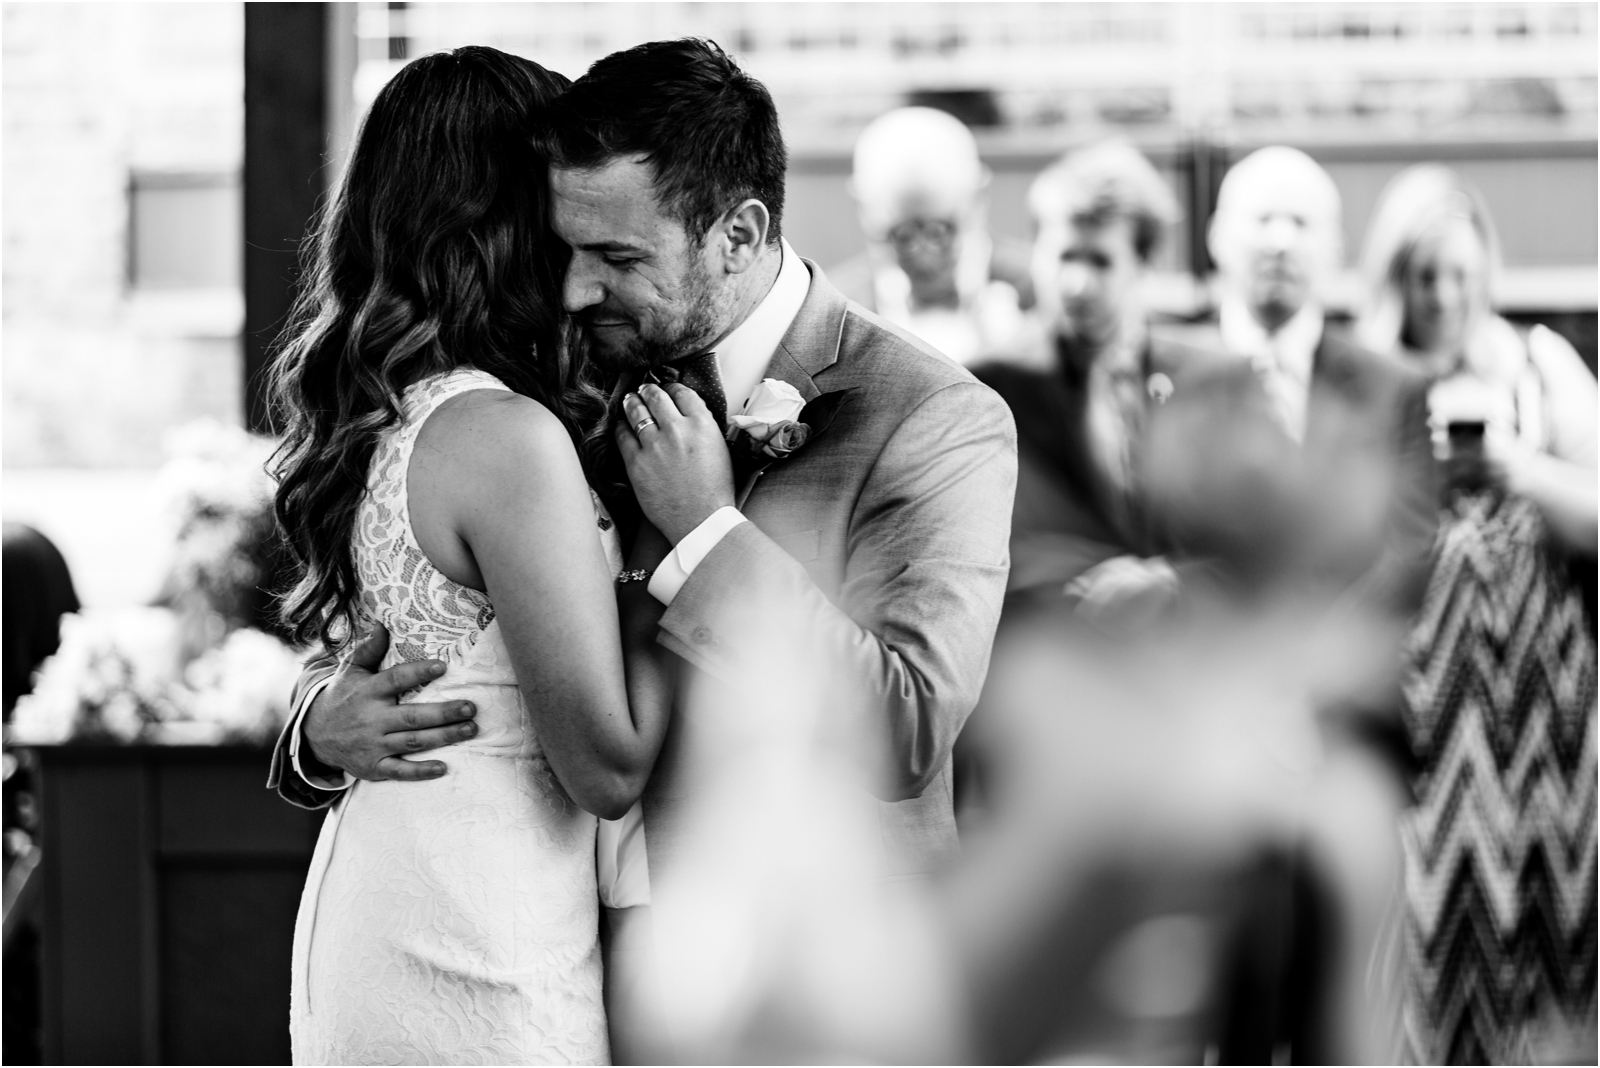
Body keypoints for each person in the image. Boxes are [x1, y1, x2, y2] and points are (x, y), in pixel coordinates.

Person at [271, 39, 1017, 1064]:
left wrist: (707, 533)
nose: (578, 291)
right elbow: (439, 614)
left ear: (737, 234)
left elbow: (905, 721)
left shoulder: (928, 418)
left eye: (617, 258)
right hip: (555, 955)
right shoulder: (570, 385)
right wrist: (316, 727)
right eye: (563, 247)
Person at [266, 47, 674, 1064]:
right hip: (471, 940)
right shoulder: (503, 437)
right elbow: (606, 768)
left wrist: (315, 720)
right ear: (507, 216)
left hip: (392, 899)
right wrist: (687, 550)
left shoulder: (392, 409)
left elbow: (373, 655)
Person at [1356, 164, 1597, 1064]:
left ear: (1486, 270)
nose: (1445, 296)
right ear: (1396, 279)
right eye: (1424, 276)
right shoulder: (1371, 379)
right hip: (1417, 719)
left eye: (1460, 274)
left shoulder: (1538, 363)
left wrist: (1517, 467)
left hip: (1546, 721)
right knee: (1416, 934)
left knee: (1548, 919)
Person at [969, 141, 1197, 620]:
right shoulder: (990, 387)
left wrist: (1168, 585)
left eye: (1099, 260)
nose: (1076, 283)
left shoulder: (1209, 381)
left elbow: (1254, 545)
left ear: (1145, 263)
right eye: (1064, 256)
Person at [826, 106, 1033, 365]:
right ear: (862, 208)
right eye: (901, 237)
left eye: (940, 232)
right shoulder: (832, 312)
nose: (924, 259)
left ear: (978, 198)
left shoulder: (1042, 289)